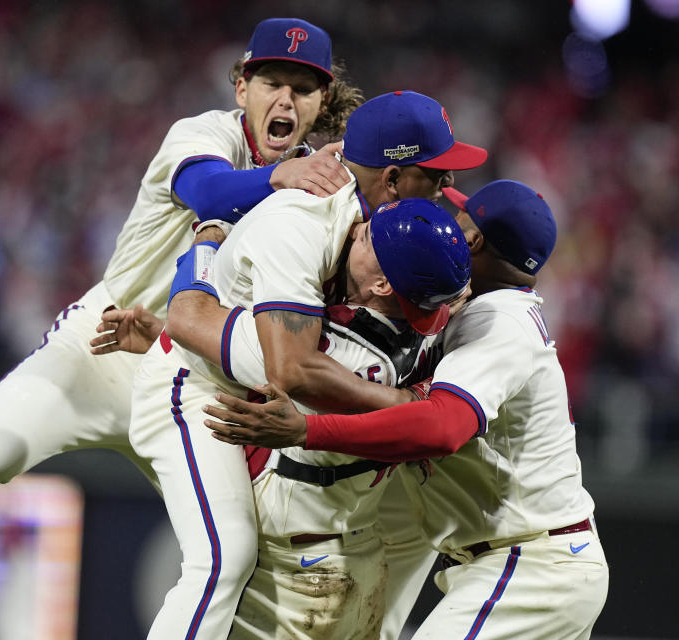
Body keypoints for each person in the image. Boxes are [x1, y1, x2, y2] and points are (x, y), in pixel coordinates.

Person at [0, 17, 363, 560]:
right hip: (102, 348)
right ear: (242, 86)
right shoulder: (202, 134)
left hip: (197, 384)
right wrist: (279, 176)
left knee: (241, 555)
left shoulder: (319, 188)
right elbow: (211, 192)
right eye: (271, 82)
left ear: (321, 102)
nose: (285, 100)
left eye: (302, 88)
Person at [128, 90, 487, 639]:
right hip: (195, 383)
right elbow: (286, 368)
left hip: (249, 361)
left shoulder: (386, 230)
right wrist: (404, 407)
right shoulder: (308, 218)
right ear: (389, 180)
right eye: (434, 173)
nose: (445, 188)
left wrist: (202, 253)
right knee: (223, 557)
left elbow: (202, 318)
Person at [203, 180, 609, 639]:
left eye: (461, 218)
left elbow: (443, 427)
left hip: (532, 562)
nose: (450, 222)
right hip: (514, 556)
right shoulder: (466, 309)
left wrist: (308, 432)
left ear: (472, 240)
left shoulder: (499, 322)